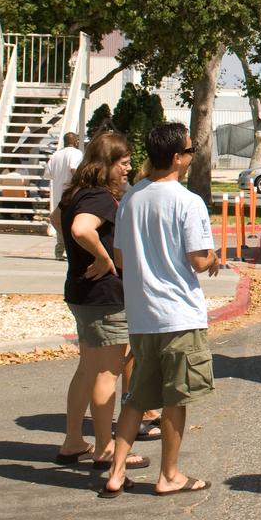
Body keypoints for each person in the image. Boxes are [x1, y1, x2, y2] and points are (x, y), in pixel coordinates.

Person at [99, 123, 218, 499]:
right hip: (178, 315)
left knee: (137, 397)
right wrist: (214, 256)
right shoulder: (187, 201)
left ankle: (116, 471)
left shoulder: (132, 197)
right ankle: (169, 474)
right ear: (179, 158)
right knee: (175, 399)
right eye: (190, 151)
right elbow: (199, 260)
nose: (190, 156)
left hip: (142, 315)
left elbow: (120, 257)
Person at [54, 131, 152, 470]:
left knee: (87, 368)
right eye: (123, 164)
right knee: (107, 373)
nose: (127, 170)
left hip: (80, 293)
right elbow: (82, 229)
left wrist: (82, 255)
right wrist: (103, 257)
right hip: (105, 297)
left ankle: (72, 440)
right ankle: (104, 448)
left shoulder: (74, 193)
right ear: (105, 164)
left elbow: (59, 222)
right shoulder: (98, 197)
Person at [45, 132, 84, 260]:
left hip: (57, 194)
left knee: (60, 223)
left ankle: (59, 251)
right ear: (76, 141)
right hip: (70, 193)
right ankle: (69, 251)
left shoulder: (56, 155)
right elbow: (73, 168)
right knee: (70, 222)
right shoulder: (76, 153)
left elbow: (48, 174)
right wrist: (82, 183)